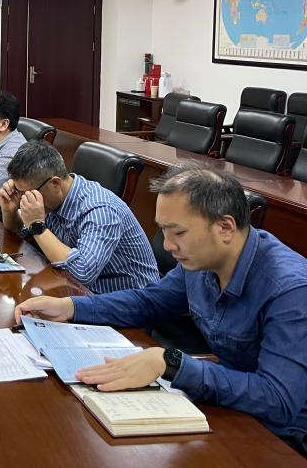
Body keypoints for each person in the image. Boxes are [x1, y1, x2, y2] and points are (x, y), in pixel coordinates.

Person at [15, 165, 307, 456]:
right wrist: (71, 307)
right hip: (226, 405)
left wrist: (172, 363)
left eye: (177, 232)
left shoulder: (290, 289)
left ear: (225, 228)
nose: (167, 245)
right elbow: (148, 302)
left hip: (282, 437)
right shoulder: (201, 263)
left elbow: (278, 400)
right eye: (163, 230)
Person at [0, 140, 157, 293]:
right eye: (19, 192)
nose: (23, 199)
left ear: (55, 184)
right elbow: (24, 237)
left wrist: (38, 226)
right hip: (80, 290)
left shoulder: (101, 209)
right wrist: (10, 212)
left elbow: (82, 274)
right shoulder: (53, 198)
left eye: (26, 193)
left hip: (130, 299)